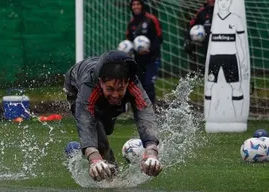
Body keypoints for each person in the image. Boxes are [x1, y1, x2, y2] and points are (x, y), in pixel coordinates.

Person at [63, 50, 163, 182]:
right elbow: (86, 121)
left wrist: (151, 151)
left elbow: (145, 113)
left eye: (120, 89)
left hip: (102, 91)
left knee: (106, 129)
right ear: (101, 82)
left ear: (127, 82)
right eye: (110, 89)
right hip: (75, 87)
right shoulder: (89, 85)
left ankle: (83, 151)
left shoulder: (133, 83)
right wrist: (94, 158)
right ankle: (114, 179)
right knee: (100, 142)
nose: (115, 95)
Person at [126, 0, 163, 106]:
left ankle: (151, 108)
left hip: (152, 58)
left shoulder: (151, 19)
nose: (135, 6)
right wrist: (127, 48)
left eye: (138, 4)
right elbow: (129, 40)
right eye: (133, 5)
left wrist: (150, 49)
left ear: (142, 6)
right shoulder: (131, 23)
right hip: (138, 60)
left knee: (149, 84)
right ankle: (140, 108)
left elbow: (159, 38)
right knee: (139, 85)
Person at [183, 0, 215, 71]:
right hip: (207, 47)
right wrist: (187, 40)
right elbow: (191, 25)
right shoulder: (202, 11)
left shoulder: (224, 10)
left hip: (223, 44)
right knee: (210, 69)